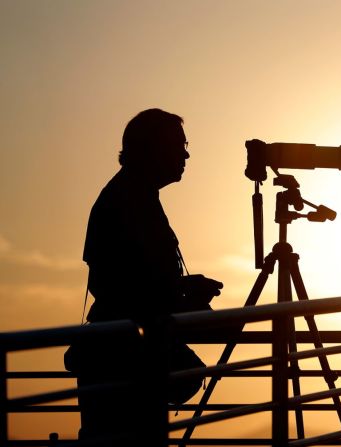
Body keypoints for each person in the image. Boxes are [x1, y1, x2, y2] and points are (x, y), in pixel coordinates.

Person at [65, 108, 223, 443]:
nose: (186, 154)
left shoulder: (134, 196)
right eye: (178, 145)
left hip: (126, 357)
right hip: (124, 361)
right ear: (152, 149)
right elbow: (115, 285)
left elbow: (132, 277)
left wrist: (182, 288)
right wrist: (178, 296)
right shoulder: (125, 200)